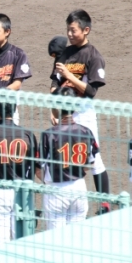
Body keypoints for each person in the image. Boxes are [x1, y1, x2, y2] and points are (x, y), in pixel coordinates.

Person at [50, 9, 112, 214]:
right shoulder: (65, 54)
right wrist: (54, 108)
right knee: (64, 156)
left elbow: (91, 91)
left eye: (73, 30)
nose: (69, 34)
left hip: (84, 113)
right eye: (68, 30)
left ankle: (104, 204)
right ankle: (68, 200)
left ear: (86, 30)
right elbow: (54, 83)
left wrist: (69, 75)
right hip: (64, 113)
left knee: (94, 160)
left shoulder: (93, 56)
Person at [0, 102, 38, 245]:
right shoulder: (28, 134)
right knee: (22, 240)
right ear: (15, 110)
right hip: (21, 192)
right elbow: (34, 165)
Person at [40, 87, 99, 228]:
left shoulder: (49, 134)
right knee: (76, 236)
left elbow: (39, 166)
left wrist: (47, 182)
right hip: (79, 188)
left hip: (56, 189)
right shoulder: (86, 131)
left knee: (56, 238)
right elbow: (91, 163)